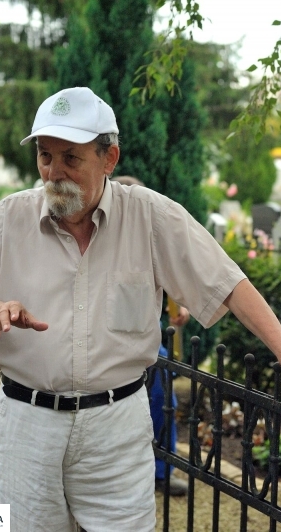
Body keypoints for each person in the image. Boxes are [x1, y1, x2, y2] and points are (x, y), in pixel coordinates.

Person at [0, 86, 281, 532]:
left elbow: (227, 283)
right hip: (27, 424)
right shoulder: (8, 217)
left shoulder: (151, 216)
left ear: (109, 158)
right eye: (44, 155)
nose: (53, 172)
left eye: (70, 158)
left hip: (115, 426)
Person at [111, 175, 190, 496]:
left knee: (162, 399)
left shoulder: (149, 237)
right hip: (108, 345)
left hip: (145, 340)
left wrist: (181, 302)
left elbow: (175, 277)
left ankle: (161, 471)